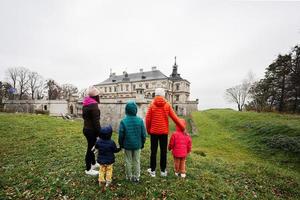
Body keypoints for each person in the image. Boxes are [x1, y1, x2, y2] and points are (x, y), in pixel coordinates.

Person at [145, 88, 185, 177]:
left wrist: (148, 130)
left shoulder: (151, 105)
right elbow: (175, 118)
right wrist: (182, 127)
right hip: (164, 132)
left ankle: (153, 171)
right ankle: (163, 171)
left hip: (154, 132)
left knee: (153, 151)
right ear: (163, 95)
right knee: (163, 151)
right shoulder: (167, 105)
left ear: (155, 95)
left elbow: (147, 119)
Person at [118, 101, 146, 183]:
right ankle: (137, 176)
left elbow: (121, 135)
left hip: (127, 145)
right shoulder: (140, 121)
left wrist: (121, 144)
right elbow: (143, 134)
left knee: (128, 161)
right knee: (137, 161)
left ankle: (128, 176)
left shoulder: (123, 121)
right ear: (135, 110)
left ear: (126, 110)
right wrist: (142, 143)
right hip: (137, 145)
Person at [82, 86, 101, 176]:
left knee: (92, 147)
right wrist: (99, 133)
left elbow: (86, 118)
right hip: (91, 131)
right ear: (95, 96)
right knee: (90, 149)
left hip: (86, 129)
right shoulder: (94, 106)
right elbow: (96, 122)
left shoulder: (86, 103)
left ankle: (93, 163)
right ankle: (88, 169)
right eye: (98, 95)